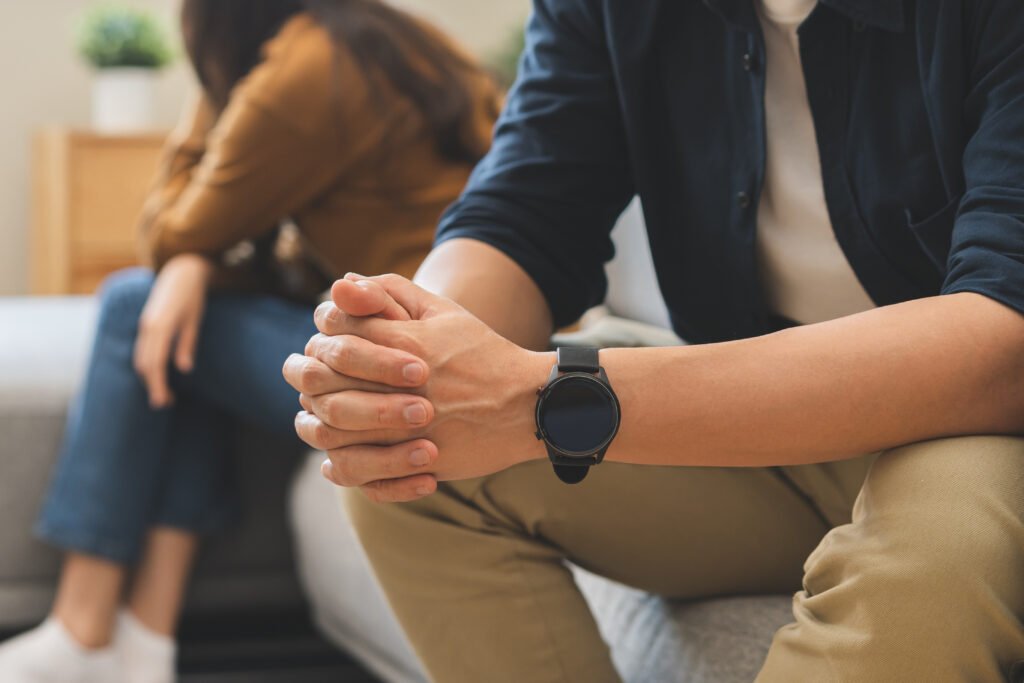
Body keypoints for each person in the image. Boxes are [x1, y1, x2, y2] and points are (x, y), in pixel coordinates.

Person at [282, 0, 1024, 681]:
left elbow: (1002, 342)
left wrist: (546, 399)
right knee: (402, 455)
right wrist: (409, 362)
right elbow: (524, 211)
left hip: (973, 422)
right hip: (771, 432)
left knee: (943, 548)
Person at [0, 1, 499, 681]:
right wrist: (202, 272)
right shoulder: (391, 38)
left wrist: (213, 96)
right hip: (478, 338)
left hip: (404, 365)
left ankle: (82, 627)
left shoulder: (301, 72)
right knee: (189, 321)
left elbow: (170, 232)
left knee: (132, 301)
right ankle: (144, 646)